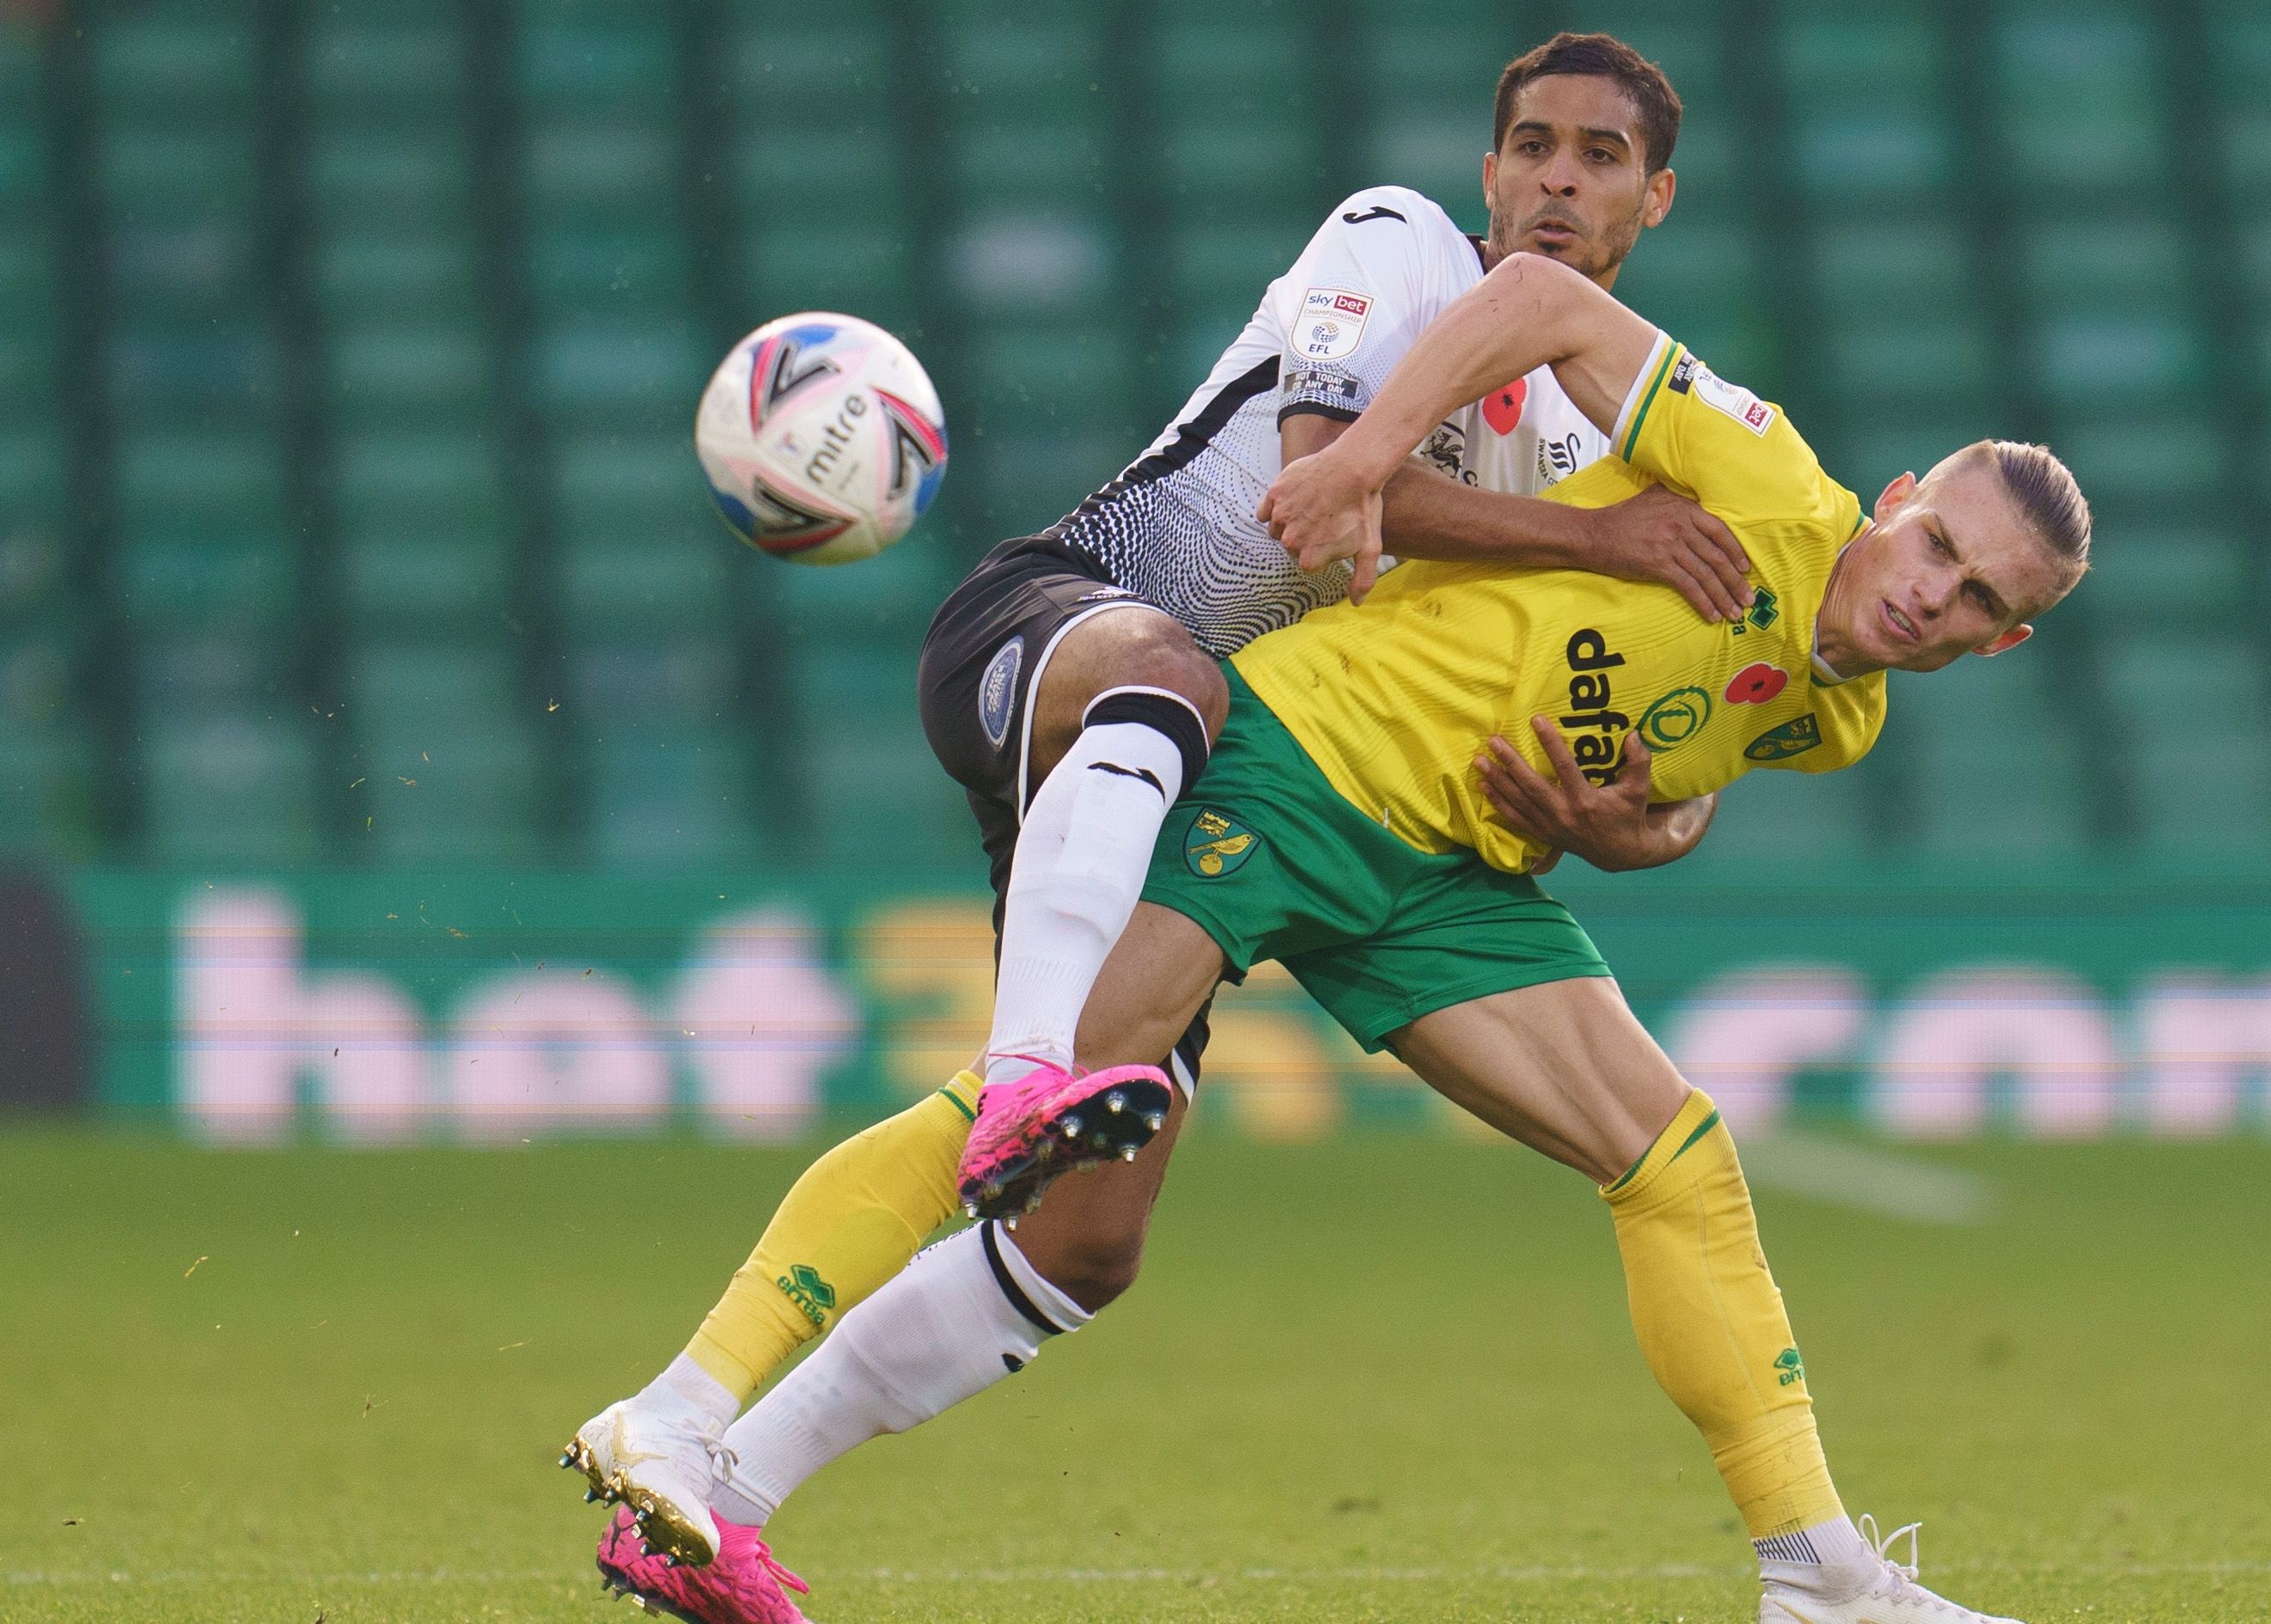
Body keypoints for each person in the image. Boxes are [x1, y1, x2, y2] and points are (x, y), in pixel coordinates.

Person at [602, 236, 2092, 1624]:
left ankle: (1816, 1574)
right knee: (1036, 1106)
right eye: (1937, 545)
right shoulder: (1765, 476)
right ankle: (676, 1412)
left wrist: (1626, 823)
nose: (1931, 594)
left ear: (2004, 639)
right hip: (1305, 757)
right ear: (1900, 496)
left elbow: (1675, 786)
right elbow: (1540, 295)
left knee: (1677, 1157)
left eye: (1976, 599)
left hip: (1449, 878)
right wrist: (1370, 457)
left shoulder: (1844, 715)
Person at [569, 27, 1746, 1597]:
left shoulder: (1597, 443)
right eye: (1533, 144)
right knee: (1176, 673)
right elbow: (1319, 497)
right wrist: (1601, 549)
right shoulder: (1396, 247)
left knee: (1085, 1244)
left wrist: (1612, 820)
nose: (1557, 179)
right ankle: (1016, 1081)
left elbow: (1650, 779)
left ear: (1653, 201)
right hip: (1066, 619)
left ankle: (709, 1477)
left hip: (1179, 793)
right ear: (1487, 171)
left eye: (1599, 159)